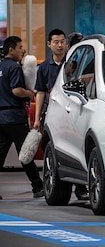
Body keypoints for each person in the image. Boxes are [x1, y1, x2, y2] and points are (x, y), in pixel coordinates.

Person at [33, 29, 88, 201]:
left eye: (62, 41)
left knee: (74, 146)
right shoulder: (43, 68)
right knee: (51, 147)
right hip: (52, 113)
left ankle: (81, 187)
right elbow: (40, 93)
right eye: (56, 42)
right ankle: (55, 185)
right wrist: (36, 119)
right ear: (49, 44)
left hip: (71, 113)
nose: (60, 45)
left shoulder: (73, 64)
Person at [0, 36, 45, 199]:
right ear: (11, 49)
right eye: (20, 47)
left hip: (1, 117)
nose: (22, 50)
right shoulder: (14, 67)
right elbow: (16, 90)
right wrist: (30, 93)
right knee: (26, 154)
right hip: (14, 117)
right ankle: (38, 187)